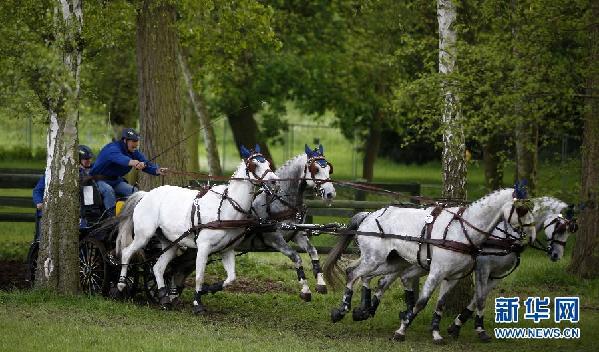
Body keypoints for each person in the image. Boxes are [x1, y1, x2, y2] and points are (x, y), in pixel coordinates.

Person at [90, 128, 167, 215]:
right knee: (108, 191)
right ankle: (111, 218)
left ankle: (134, 215)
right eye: (133, 142)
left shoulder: (133, 151)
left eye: (136, 141)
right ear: (125, 140)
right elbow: (120, 158)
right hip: (98, 180)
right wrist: (133, 162)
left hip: (115, 181)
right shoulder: (112, 148)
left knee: (135, 192)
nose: (135, 145)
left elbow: (145, 163)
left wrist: (156, 170)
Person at [32, 144, 96, 240]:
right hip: (52, 210)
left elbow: (88, 197)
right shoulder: (55, 172)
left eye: (90, 159)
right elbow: (38, 190)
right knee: (45, 237)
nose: (89, 161)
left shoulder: (87, 174)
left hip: (75, 213)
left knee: (84, 230)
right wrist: (39, 202)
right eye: (86, 159)